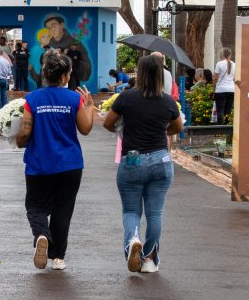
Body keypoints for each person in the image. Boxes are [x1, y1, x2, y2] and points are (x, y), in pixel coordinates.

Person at [102, 55, 183, 274]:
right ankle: (148, 259)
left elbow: (108, 123)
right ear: (160, 75)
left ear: (139, 73)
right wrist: (162, 130)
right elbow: (178, 127)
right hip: (160, 159)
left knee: (131, 210)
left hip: (132, 160)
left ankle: (132, 242)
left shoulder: (126, 98)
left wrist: (124, 130)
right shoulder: (168, 101)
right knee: (155, 212)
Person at [16, 50, 95, 271]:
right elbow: (85, 129)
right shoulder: (74, 98)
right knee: (63, 209)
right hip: (70, 164)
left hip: (39, 163)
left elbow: (24, 133)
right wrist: (88, 107)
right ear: (65, 76)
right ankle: (58, 257)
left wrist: (19, 142)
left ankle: (41, 234)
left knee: (35, 206)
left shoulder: (33, 99)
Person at [213, 48, 235, 124]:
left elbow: (215, 78)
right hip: (232, 89)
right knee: (228, 111)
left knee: (220, 110)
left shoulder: (219, 64)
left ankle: (219, 130)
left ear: (222, 54)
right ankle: (227, 129)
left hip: (221, 90)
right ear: (230, 55)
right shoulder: (234, 64)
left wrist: (214, 89)